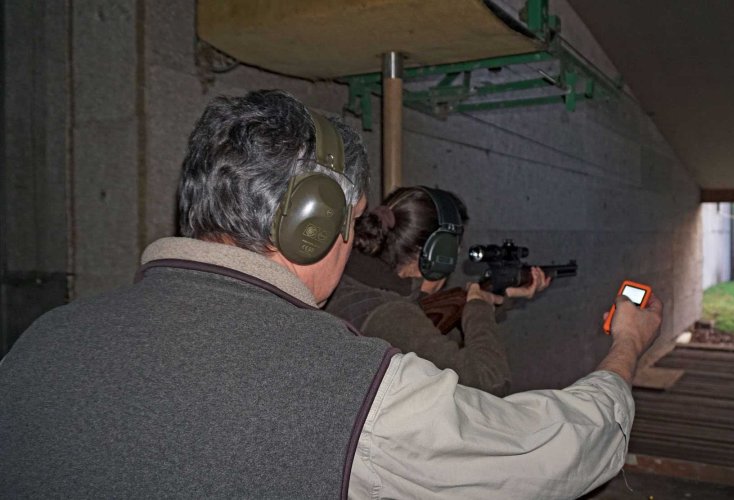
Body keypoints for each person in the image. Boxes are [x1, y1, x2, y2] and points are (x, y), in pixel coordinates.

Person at [0, 89, 663, 499]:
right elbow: (546, 453)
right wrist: (626, 349)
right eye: (351, 220)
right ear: (312, 224)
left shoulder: (44, 340)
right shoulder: (352, 390)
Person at [325, 186, 550, 396]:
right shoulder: (391, 314)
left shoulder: (347, 282)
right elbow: (490, 382)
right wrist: (478, 307)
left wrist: (496, 300)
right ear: (439, 257)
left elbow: (432, 340)